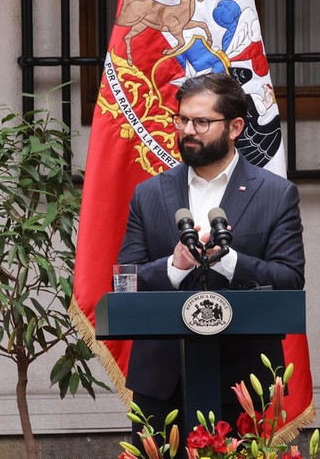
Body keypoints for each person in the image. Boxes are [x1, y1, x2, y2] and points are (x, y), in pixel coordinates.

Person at [117, 73, 304, 444]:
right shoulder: (149, 194)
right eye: (182, 119)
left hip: (243, 383)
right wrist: (175, 266)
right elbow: (123, 279)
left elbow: (290, 278)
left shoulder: (276, 194)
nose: (188, 129)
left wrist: (229, 261)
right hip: (162, 383)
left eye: (201, 122)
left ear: (235, 127)